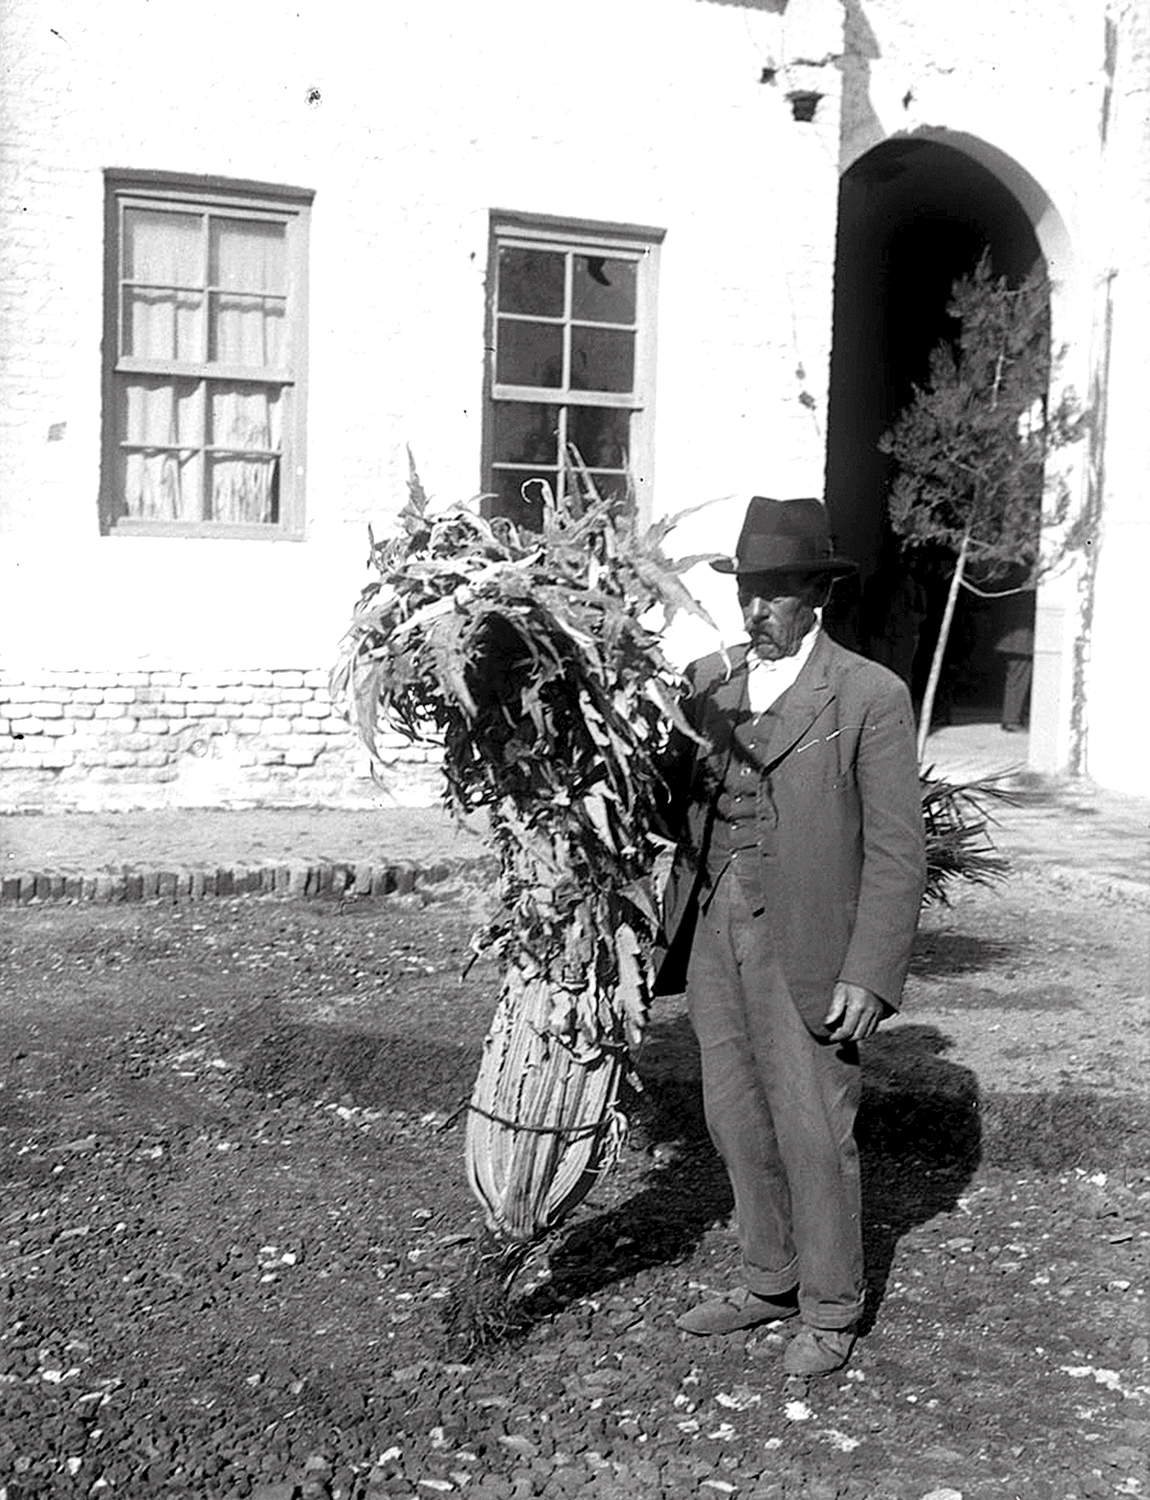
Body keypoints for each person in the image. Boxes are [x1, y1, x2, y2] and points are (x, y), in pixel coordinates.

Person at [655, 496, 927, 1376]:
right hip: (713, 930)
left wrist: (870, 972)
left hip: (807, 940)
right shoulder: (709, 685)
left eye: (774, 593)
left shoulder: (867, 694)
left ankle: (832, 1306)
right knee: (733, 1113)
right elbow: (667, 804)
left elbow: (895, 851)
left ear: (816, 594)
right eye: (747, 593)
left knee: (814, 1126)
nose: (755, 611)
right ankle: (769, 1278)